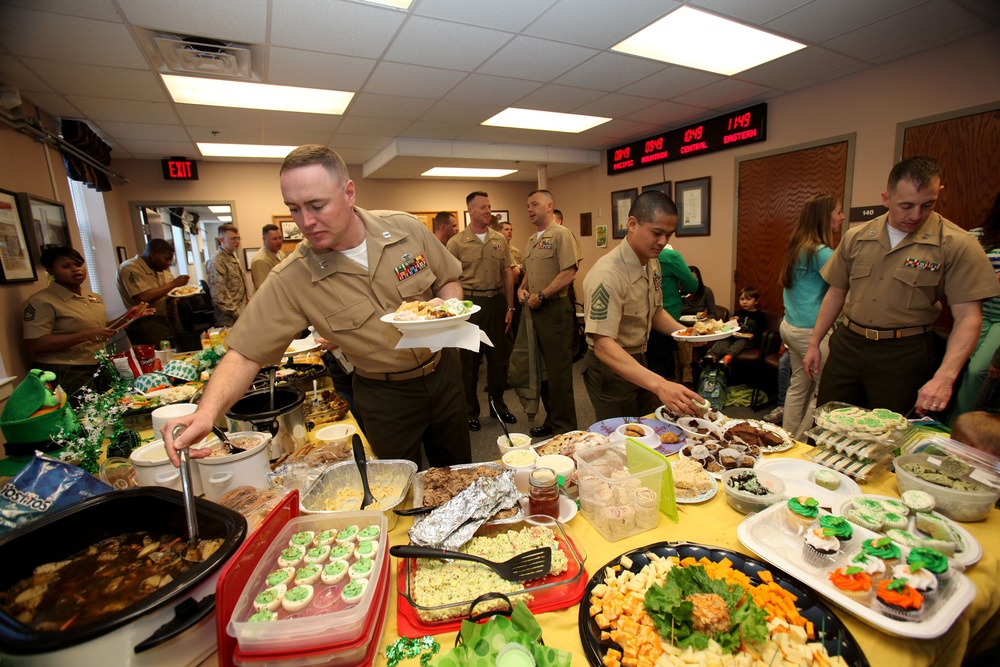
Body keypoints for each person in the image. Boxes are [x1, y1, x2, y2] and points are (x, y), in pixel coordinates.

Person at [163, 145, 470, 470]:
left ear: (348, 193)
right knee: (400, 484)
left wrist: (447, 305)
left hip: (444, 374)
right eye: (294, 209)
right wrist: (206, 412)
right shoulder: (293, 276)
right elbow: (245, 353)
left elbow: (448, 280)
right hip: (384, 395)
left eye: (316, 205)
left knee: (462, 472)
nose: (305, 222)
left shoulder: (405, 229)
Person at [804, 156, 1000, 415]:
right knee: (827, 422)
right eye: (906, 205)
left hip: (904, 353)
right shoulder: (857, 237)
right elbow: (836, 293)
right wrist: (814, 342)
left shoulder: (956, 243)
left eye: (927, 205)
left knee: (889, 430)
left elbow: (968, 317)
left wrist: (945, 376)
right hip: (849, 344)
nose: (915, 215)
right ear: (886, 198)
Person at [582, 190, 702, 420]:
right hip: (610, 364)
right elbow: (603, 345)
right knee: (620, 432)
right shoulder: (607, 275)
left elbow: (655, 312)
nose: (663, 242)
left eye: (668, 235)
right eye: (657, 233)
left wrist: (686, 334)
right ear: (632, 224)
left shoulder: (651, 263)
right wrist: (660, 384)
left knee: (644, 425)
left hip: (640, 356)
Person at [511, 189, 578, 437]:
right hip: (534, 309)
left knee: (559, 373)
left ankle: (565, 428)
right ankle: (553, 419)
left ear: (550, 206)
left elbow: (569, 273)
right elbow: (530, 271)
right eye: (528, 205)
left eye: (535, 204)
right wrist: (522, 288)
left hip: (555, 309)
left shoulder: (561, 234)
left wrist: (542, 295)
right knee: (542, 370)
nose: (529, 209)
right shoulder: (532, 239)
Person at [447, 191, 517, 431]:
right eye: (482, 207)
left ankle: (498, 407)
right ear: (470, 211)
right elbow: (450, 279)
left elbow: (507, 274)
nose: (488, 211)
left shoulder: (499, 239)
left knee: (498, 361)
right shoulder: (456, 242)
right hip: (470, 304)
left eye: (489, 206)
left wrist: (510, 306)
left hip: (496, 303)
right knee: (470, 363)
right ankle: (470, 412)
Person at [779, 194, 844, 440]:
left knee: (799, 385)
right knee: (823, 390)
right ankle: (801, 442)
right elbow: (845, 288)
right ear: (825, 217)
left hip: (791, 327)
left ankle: (787, 439)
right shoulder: (822, 253)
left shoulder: (798, 248)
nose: (842, 217)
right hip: (809, 332)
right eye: (838, 212)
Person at [22, 246, 115, 403]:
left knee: (115, 407)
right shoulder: (41, 301)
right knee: (86, 414)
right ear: (50, 271)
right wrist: (85, 336)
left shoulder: (92, 297)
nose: (75, 269)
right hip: (66, 369)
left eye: (78, 264)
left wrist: (130, 317)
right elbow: (36, 344)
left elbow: (98, 329)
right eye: (66, 266)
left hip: (98, 363)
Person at [950, 192, 1000, 421]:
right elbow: (958, 270)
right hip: (976, 311)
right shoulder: (977, 236)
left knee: (978, 370)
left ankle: (961, 425)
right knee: (958, 365)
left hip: (999, 318)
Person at [115, 238, 189, 346]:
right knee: (159, 354)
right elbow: (144, 297)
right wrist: (174, 283)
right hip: (145, 323)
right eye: (166, 259)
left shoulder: (157, 269)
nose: (169, 263)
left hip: (165, 319)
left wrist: (176, 298)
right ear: (153, 254)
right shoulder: (130, 268)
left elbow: (163, 295)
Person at [647, 245, 698, 381]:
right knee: (662, 366)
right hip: (667, 317)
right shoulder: (671, 257)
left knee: (647, 363)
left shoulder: (639, 254)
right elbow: (693, 286)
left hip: (642, 317)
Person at [702, 286, 768, 365]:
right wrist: (731, 322)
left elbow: (762, 330)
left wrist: (753, 335)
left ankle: (728, 356)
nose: (744, 302)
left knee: (741, 342)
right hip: (734, 336)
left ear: (756, 301)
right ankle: (712, 355)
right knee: (725, 341)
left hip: (749, 340)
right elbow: (728, 327)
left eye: (748, 299)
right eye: (742, 299)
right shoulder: (738, 313)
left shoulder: (760, 315)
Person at [205, 223, 248, 327]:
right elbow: (219, 296)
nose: (237, 242)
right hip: (229, 318)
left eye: (238, 238)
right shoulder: (216, 261)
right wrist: (238, 314)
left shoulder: (233, 256)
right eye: (233, 239)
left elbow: (237, 286)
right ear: (221, 240)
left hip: (242, 312)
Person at [500, 220, 523, 382]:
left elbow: (520, 272)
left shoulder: (516, 252)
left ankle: (515, 369)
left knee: (515, 329)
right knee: (504, 333)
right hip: (501, 293)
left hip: (513, 291)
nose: (509, 232)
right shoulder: (498, 249)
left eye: (511, 229)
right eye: (506, 229)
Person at [250, 223, 286, 290]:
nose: (279, 241)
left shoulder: (281, 254)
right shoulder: (260, 260)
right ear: (264, 239)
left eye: (280, 238)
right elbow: (264, 290)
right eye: (274, 239)